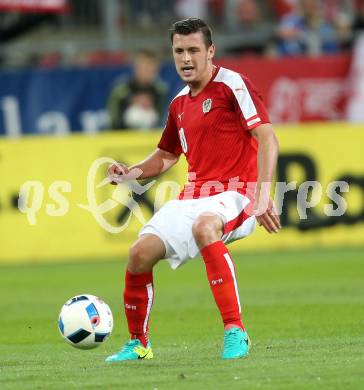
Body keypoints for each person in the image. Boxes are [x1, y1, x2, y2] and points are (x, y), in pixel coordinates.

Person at [105, 18, 281, 362]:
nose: (186, 58)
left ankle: (236, 331)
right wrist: (130, 173)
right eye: (179, 51)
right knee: (139, 254)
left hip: (237, 193)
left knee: (205, 226)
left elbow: (267, 137)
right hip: (194, 196)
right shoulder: (179, 103)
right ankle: (138, 344)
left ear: (210, 51)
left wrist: (262, 194)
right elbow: (167, 155)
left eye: (193, 50)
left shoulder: (233, 85)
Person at [107, 49, 168, 130]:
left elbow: (164, 120)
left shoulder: (161, 91)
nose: (149, 71)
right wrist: (130, 102)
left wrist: (151, 105)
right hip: (124, 138)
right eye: (145, 67)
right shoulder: (120, 90)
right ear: (136, 67)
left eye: (152, 67)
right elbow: (113, 121)